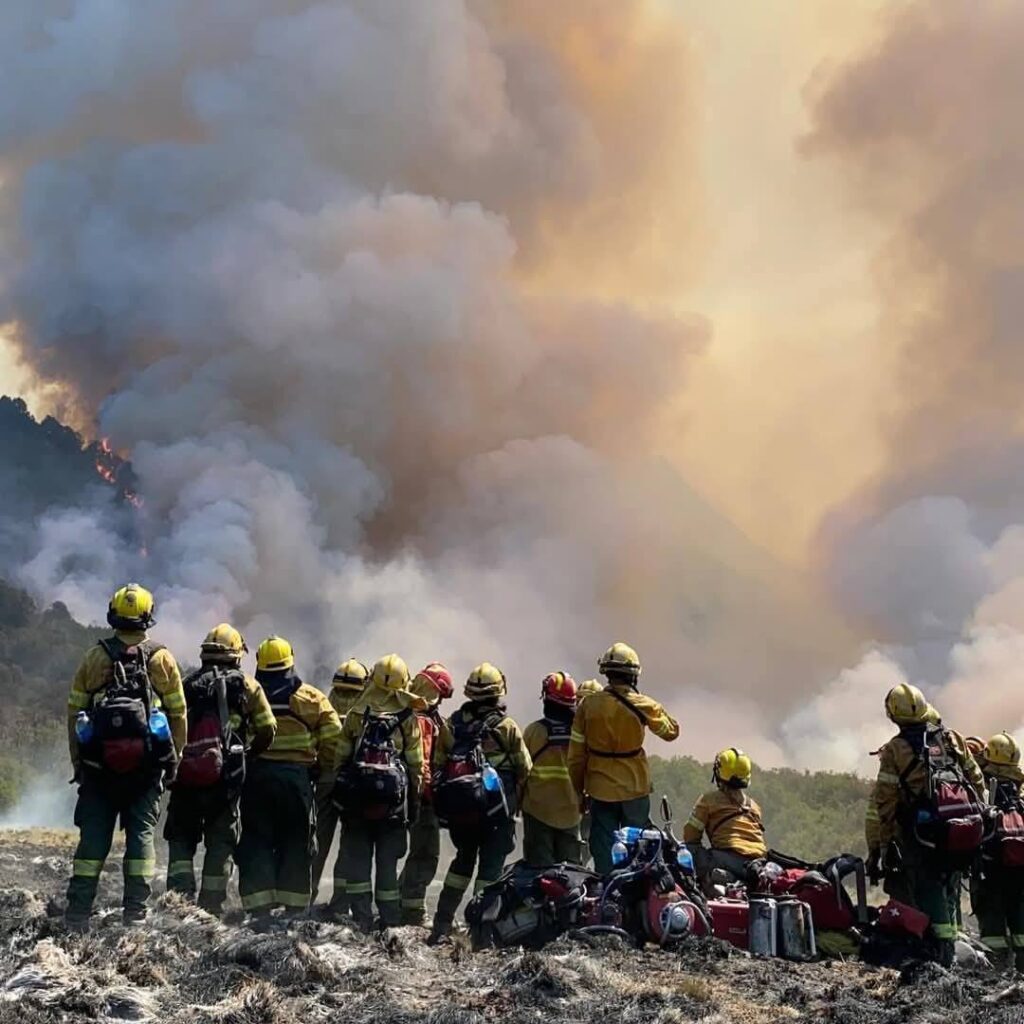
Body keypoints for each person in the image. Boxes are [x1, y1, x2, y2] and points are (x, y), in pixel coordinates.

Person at [66, 583, 187, 929]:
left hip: (98, 769)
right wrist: (172, 762)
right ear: (148, 617)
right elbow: (178, 715)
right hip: (146, 770)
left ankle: (76, 914)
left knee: (92, 841)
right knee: (141, 838)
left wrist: (79, 761)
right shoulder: (162, 659)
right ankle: (135, 914)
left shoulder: (95, 657)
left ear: (113, 614)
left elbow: (74, 713)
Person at [864, 682, 985, 966]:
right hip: (961, 830)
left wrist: (882, 846)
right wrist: (975, 817)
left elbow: (886, 803)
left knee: (929, 889)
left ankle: (944, 955)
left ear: (893, 714)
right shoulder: (953, 738)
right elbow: (976, 779)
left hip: (922, 835)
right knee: (951, 886)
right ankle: (958, 948)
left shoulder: (896, 749)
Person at [164, 624, 276, 915]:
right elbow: (267, 727)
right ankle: (210, 906)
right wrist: (249, 755)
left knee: (180, 838)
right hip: (225, 781)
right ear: (237, 654)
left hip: (185, 777)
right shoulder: (247, 686)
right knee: (221, 842)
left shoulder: (186, 684)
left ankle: (179, 900)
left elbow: (169, 725)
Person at [236, 636, 341, 927]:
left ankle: (258, 911)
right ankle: (294, 912)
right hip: (297, 780)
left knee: (257, 839)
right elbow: (334, 735)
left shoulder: (249, 696)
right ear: (290, 661)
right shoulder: (311, 698)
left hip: (256, 778)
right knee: (297, 841)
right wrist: (321, 766)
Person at [429, 663, 532, 943]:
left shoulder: (452, 723)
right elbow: (525, 769)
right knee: (490, 871)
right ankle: (480, 930)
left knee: (461, 863)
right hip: (497, 813)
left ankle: (441, 923)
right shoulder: (506, 726)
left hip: (462, 812)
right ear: (498, 693)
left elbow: (438, 764)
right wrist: (517, 806)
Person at [567, 642, 680, 874]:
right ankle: (635, 894)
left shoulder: (588, 706)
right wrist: (653, 708)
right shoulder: (645, 704)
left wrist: (579, 792)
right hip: (635, 788)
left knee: (603, 849)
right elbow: (671, 732)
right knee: (638, 848)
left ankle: (608, 895)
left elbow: (576, 757)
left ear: (606, 673)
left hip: (600, 789)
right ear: (634, 676)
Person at [334, 654, 424, 932]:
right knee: (387, 865)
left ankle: (361, 919)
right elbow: (416, 765)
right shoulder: (408, 716)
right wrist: (413, 803)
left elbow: (341, 757)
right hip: (393, 808)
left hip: (357, 804)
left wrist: (341, 792)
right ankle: (390, 921)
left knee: (358, 863)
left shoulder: (357, 713)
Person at [398, 662, 454, 926]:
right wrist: (431, 795)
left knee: (417, 852)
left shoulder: (409, 714)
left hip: (407, 796)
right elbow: (423, 764)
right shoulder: (423, 721)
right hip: (421, 798)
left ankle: (401, 900)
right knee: (425, 853)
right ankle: (412, 911)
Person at [312, 658, 369, 912]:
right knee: (349, 844)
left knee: (317, 841)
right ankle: (340, 902)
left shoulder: (326, 703)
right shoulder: (365, 709)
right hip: (354, 785)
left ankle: (304, 896)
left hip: (326, 780)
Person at [973, 732, 1024, 972]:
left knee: (993, 925)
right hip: (1019, 870)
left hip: (990, 870)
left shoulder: (980, 786)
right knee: (1020, 921)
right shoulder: (1020, 789)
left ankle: (996, 969)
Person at [683, 748, 767, 893]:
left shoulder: (708, 800)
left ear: (719, 773)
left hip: (725, 860)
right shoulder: (754, 807)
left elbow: (690, 836)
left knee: (686, 851)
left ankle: (704, 887)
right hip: (758, 865)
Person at [522, 672, 584, 867]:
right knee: (570, 874)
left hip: (537, 811)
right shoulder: (581, 734)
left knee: (539, 873)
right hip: (571, 812)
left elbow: (521, 771)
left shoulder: (534, 731)